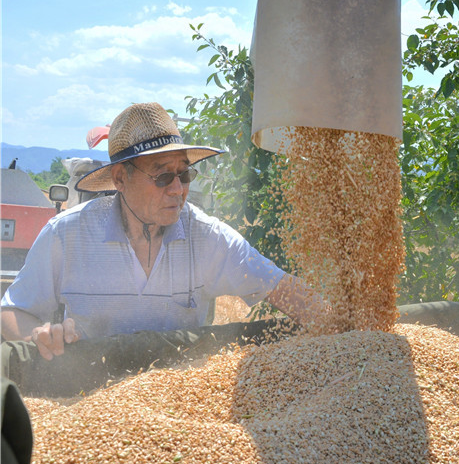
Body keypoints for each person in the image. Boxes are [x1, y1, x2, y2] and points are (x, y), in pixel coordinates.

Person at [1, 102, 328, 360]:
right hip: (88, 393)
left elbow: (285, 291)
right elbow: (13, 311)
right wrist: (38, 335)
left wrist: (351, 331)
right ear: (120, 179)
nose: (177, 190)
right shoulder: (66, 235)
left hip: (178, 393)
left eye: (184, 175)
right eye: (162, 177)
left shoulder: (207, 237)